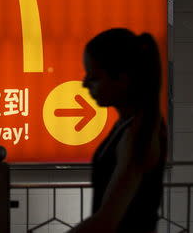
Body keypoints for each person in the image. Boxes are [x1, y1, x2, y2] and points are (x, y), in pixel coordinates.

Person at [68, 28, 167, 233]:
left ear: (122, 79)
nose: (85, 84)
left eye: (94, 77)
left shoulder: (136, 134)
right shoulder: (134, 125)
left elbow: (106, 222)